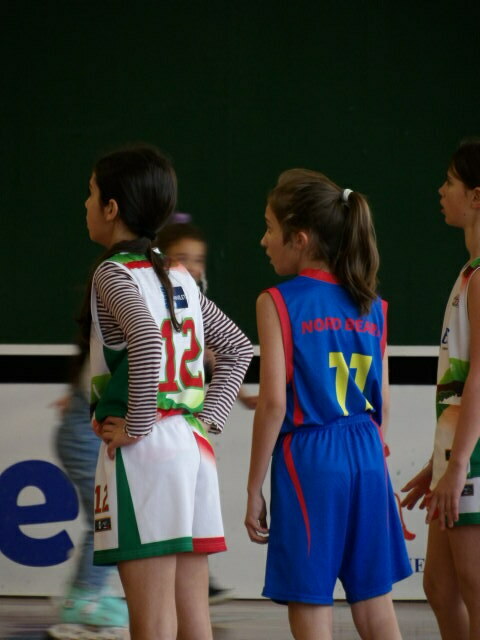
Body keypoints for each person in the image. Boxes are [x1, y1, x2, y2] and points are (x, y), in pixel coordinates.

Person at [80, 143, 253, 640]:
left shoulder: (112, 272)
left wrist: (135, 427)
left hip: (147, 455)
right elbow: (239, 348)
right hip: (191, 448)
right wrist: (208, 419)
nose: (85, 204)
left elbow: (146, 339)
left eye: (90, 194)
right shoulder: (177, 273)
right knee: (193, 618)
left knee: (152, 622)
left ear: (112, 208)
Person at [245, 169, 412, 640]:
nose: (263, 240)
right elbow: (382, 400)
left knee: (311, 598)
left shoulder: (276, 301)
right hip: (367, 452)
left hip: (311, 460)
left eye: (269, 228)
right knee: (374, 602)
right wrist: (369, 451)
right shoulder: (371, 303)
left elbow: (274, 403)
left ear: (299, 239)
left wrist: (254, 486)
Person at [401, 140, 480, 640]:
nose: (440, 190)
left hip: (473, 458)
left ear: (476, 196)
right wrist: (440, 462)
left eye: (450, 182)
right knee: (440, 585)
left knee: (473, 583)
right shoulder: (468, 272)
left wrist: (458, 463)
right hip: (458, 452)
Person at [48, 346, 128, 638]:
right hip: (85, 439)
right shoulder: (114, 336)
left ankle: (91, 590)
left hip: (88, 435)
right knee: (106, 521)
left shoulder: (108, 338)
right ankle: (83, 597)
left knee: (110, 520)